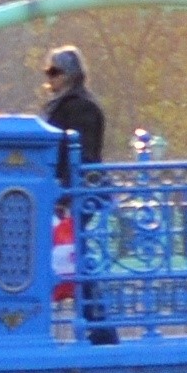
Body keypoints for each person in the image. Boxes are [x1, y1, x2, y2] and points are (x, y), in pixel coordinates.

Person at [42, 44, 116, 344]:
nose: (49, 77)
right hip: (70, 192)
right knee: (74, 256)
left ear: (71, 74)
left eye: (55, 71)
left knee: (76, 256)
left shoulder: (80, 106)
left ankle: (99, 328)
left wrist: (65, 194)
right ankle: (97, 328)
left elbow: (81, 155)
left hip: (80, 193)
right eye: (48, 71)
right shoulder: (64, 103)